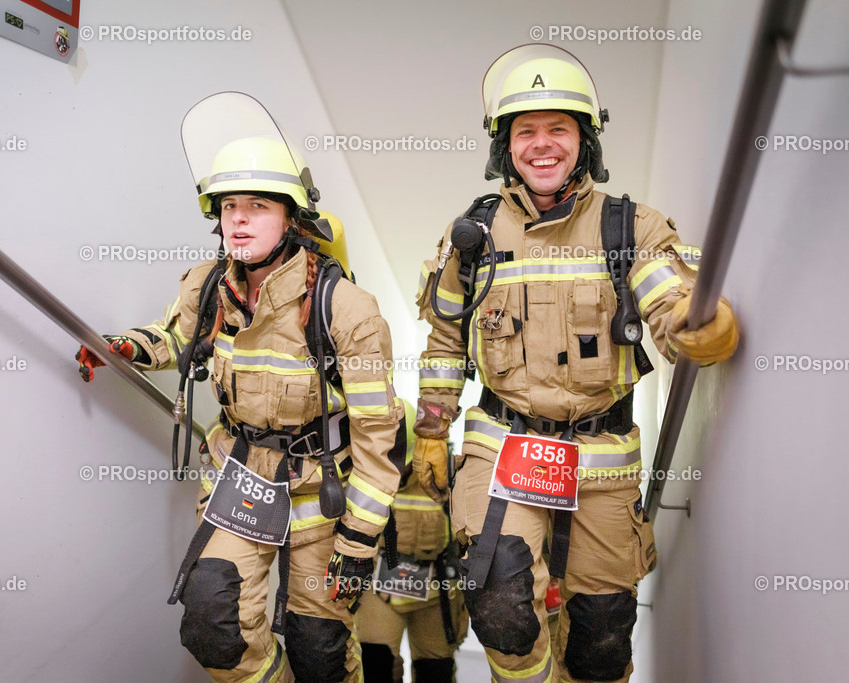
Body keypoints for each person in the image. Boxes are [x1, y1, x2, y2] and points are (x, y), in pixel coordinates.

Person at [411, 45, 739, 682]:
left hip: (602, 458)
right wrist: (429, 432)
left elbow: (671, 300)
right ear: (503, 145)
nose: (541, 145)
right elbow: (445, 342)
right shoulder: (469, 239)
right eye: (524, 131)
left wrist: (701, 326)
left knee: (601, 639)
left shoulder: (630, 228)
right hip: (504, 446)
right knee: (500, 603)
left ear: (584, 140)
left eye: (557, 129)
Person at [76, 92, 406, 682]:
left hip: (322, 501)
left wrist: (357, 543)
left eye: (258, 205)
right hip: (240, 485)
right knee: (213, 627)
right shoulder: (207, 286)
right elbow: (175, 336)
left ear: (292, 218)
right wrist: (123, 347)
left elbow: (380, 441)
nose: (239, 220)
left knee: (321, 650)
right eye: (229, 206)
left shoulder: (345, 308)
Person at [356, 403, 468, 683]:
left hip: (436, 591)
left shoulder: (450, 473)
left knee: (436, 673)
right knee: (375, 667)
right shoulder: (366, 476)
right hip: (380, 590)